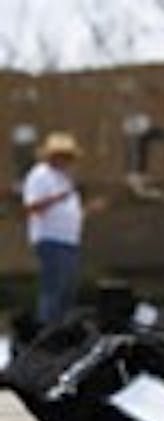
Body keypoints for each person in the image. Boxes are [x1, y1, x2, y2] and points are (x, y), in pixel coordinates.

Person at [22, 133, 104, 325]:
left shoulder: (64, 178)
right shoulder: (40, 175)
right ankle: (47, 327)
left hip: (69, 241)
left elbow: (69, 212)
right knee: (54, 287)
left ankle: (61, 326)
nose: (67, 161)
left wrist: (89, 210)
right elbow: (32, 207)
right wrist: (58, 198)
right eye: (64, 156)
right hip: (50, 239)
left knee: (68, 288)